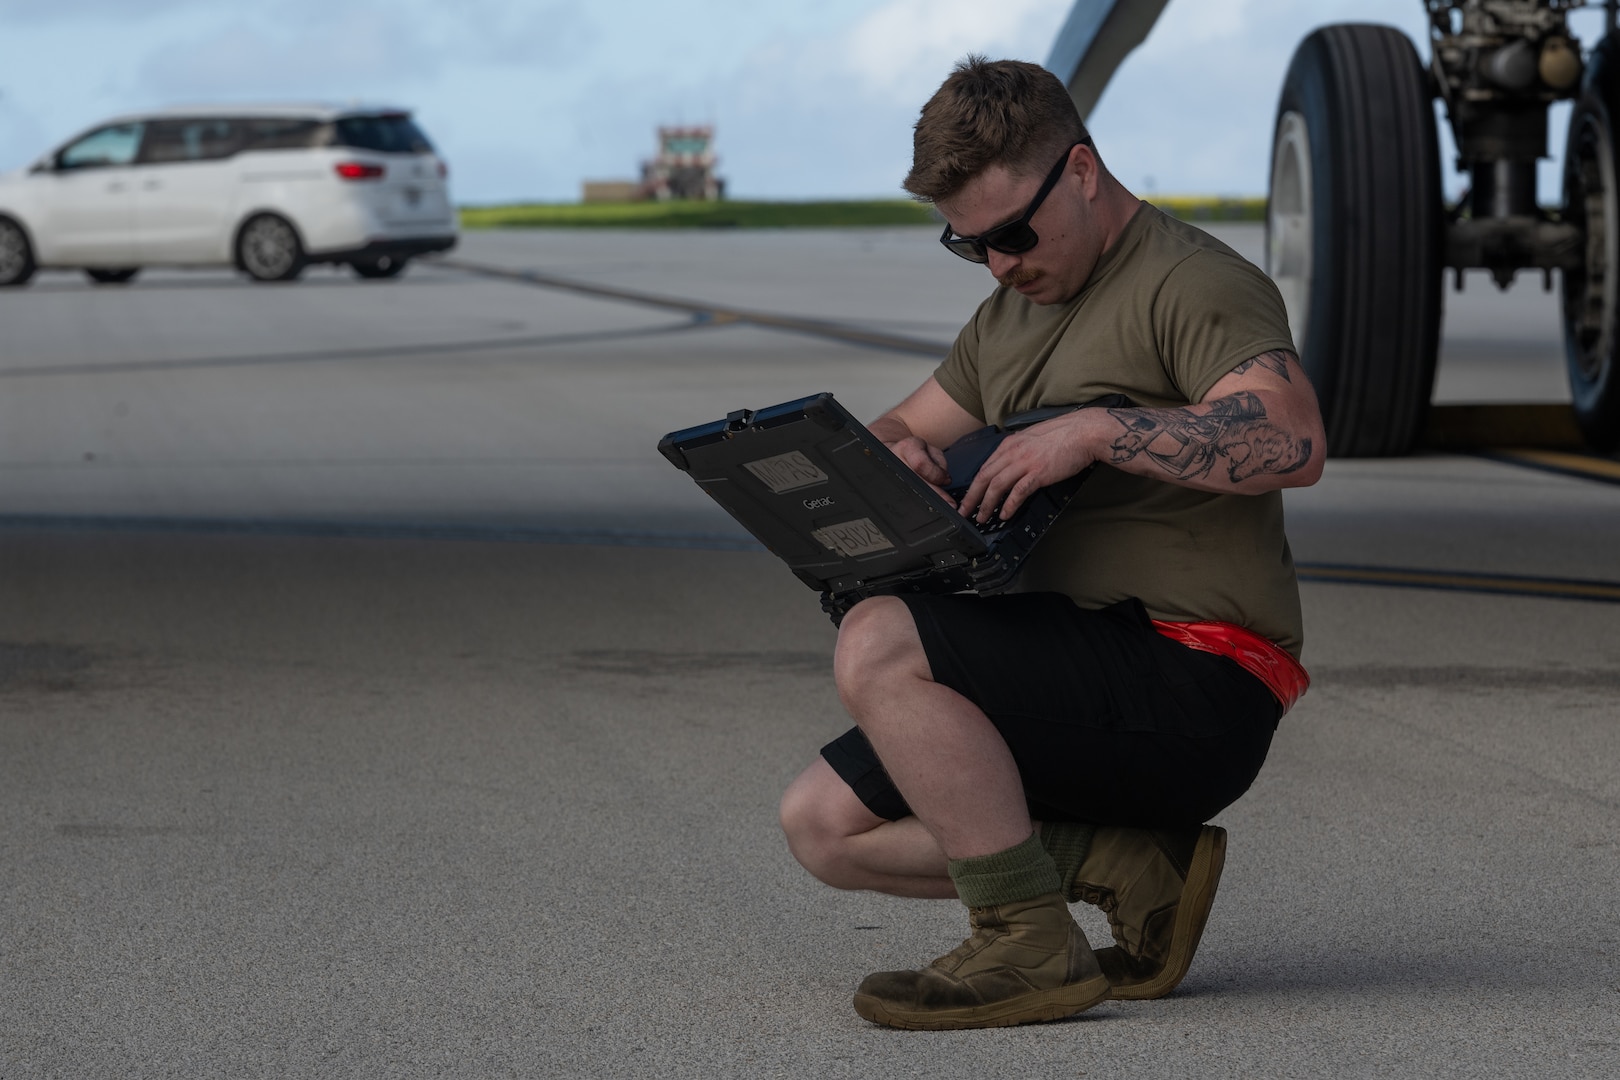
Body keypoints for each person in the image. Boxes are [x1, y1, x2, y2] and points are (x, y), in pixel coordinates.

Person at [777, 56, 1325, 1031]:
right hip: (1067, 665)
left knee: (878, 639)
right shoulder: (1008, 321)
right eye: (969, 245)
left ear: (1080, 171)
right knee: (824, 828)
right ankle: (1127, 865)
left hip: (1193, 674)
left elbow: (1292, 438)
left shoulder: (1192, 283)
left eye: (1014, 235)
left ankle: (1027, 944)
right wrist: (899, 459)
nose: (1000, 265)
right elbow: (895, 431)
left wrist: (1098, 430)